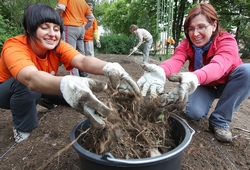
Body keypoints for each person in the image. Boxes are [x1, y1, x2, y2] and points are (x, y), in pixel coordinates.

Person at [0, 4, 140, 143]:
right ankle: (23, 129)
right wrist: (66, 83)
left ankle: (47, 99)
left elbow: (82, 61)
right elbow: (30, 79)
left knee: (76, 97)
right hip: (8, 91)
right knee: (27, 87)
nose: (52, 34)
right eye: (44, 27)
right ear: (28, 29)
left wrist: (109, 67)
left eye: (56, 29)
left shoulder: (57, 46)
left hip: (41, 84)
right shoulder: (15, 46)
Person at [137, 3, 250, 143]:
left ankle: (219, 120)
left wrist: (195, 77)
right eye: (191, 29)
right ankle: (204, 101)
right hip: (204, 84)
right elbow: (176, 60)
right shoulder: (187, 44)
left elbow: (219, 66)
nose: (195, 34)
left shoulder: (227, 41)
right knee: (194, 113)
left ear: (213, 25)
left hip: (228, 83)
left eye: (201, 27)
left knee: (248, 71)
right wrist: (162, 70)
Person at [55, 0, 94, 77]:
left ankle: (75, 77)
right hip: (80, 29)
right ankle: (84, 74)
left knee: (70, 54)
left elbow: (61, 7)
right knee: (81, 53)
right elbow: (91, 18)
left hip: (69, 27)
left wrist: (52, 16)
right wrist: (85, 28)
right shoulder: (83, 2)